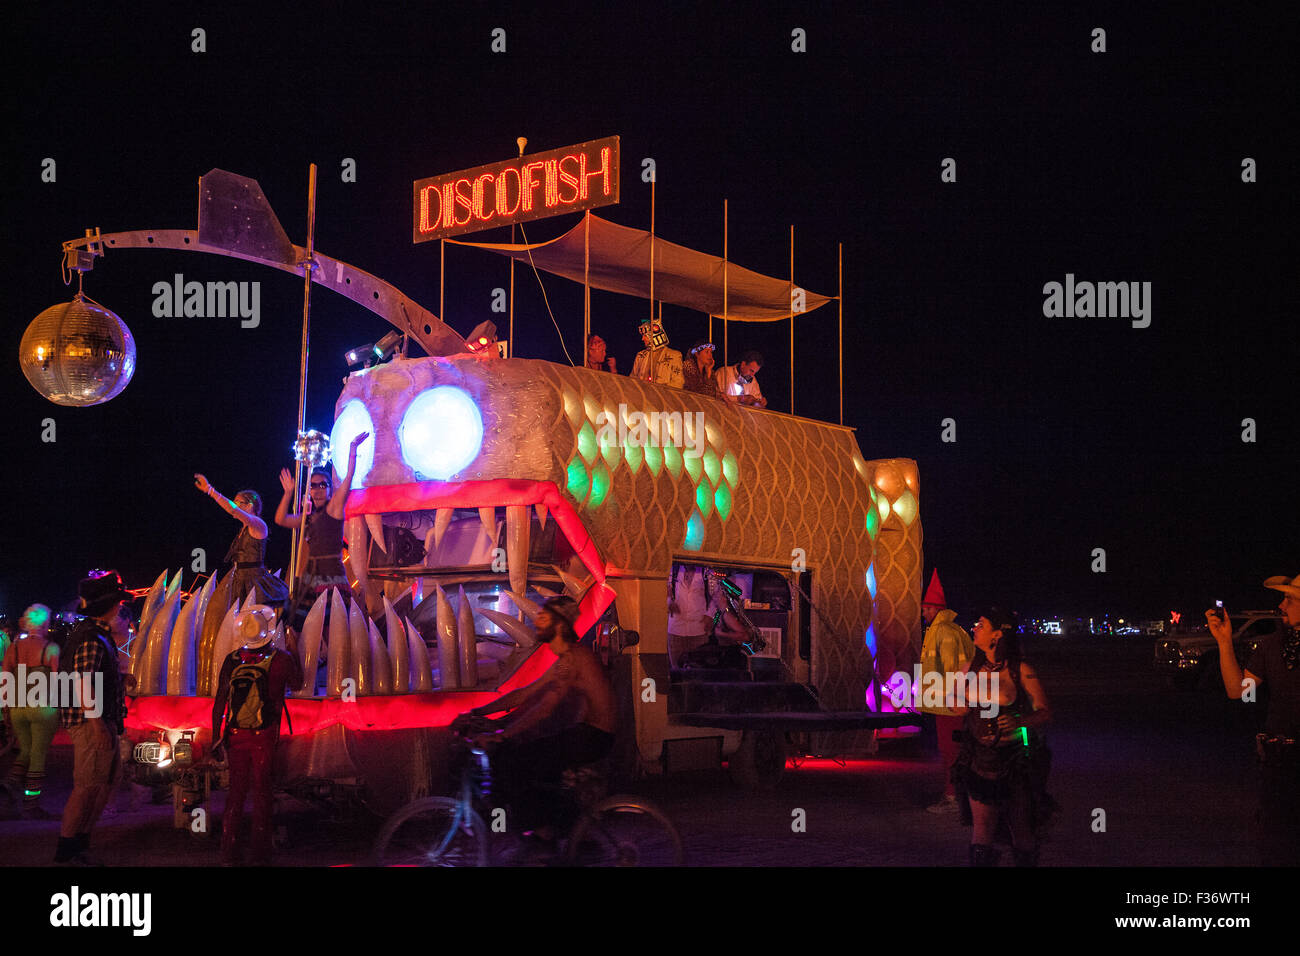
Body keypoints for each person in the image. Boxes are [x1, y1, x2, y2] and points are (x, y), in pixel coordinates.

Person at [453, 596, 615, 852]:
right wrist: (478, 712)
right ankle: (564, 831)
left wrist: (503, 735)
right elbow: (525, 693)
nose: (537, 621)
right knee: (527, 762)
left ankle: (544, 836)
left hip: (593, 737)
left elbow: (544, 708)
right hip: (584, 734)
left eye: (544, 616)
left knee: (516, 761)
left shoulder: (572, 660)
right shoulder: (566, 659)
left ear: (560, 624)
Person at [1208, 572, 1300, 866]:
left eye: (1290, 599)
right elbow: (1240, 692)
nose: (1281, 606)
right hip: (1280, 763)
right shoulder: (1273, 644)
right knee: (1277, 844)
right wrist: (1224, 642)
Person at [950, 607, 1054, 866]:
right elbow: (952, 698)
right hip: (979, 760)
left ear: (996, 635)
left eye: (981, 625)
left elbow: (1045, 712)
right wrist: (957, 705)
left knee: (1022, 831)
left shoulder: (1020, 670)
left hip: (1015, 761)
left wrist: (1022, 720)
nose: (974, 628)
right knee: (981, 832)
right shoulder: (969, 668)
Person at [211, 604, 303, 866]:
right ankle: (260, 854)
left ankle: (229, 853)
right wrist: (295, 647)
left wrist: (215, 737)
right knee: (262, 793)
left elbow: (220, 702)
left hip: (235, 733)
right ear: (269, 632)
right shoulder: (281, 659)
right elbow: (297, 684)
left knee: (236, 793)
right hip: (265, 734)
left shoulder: (232, 659)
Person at [55, 570, 133, 865]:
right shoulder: (92, 636)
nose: (121, 609)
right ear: (111, 605)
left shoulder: (96, 634)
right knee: (87, 786)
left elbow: (89, 677)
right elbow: (82, 679)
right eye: (119, 603)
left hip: (98, 719)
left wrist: (120, 679)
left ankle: (79, 842)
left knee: (104, 782)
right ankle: (68, 849)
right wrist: (96, 723)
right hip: (91, 723)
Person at [276, 431, 369, 627]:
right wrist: (288, 493)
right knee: (297, 626)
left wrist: (352, 450)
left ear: (329, 489)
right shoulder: (307, 518)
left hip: (331, 574)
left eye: (322, 485)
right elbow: (280, 520)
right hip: (309, 577)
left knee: (331, 627)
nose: (317, 489)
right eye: (313, 485)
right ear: (309, 489)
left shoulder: (334, 508)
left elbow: (348, 478)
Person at [917, 571, 975, 814]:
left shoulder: (944, 632)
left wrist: (954, 699)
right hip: (950, 703)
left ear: (935, 609)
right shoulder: (948, 630)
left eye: (925, 609)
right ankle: (962, 797)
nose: (922, 613)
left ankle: (953, 799)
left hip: (950, 705)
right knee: (954, 751)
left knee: (951, 752)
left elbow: (954, 669)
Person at [195, 475, 288, 611]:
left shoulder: (258, 525)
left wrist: (210, 490)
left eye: (238, 503)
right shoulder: (243, 529)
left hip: (252, 581)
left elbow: (232, 509)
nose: (234, 505)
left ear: (250, 505)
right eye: (234, 502)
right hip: (239, 579)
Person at [2, 604, 59, 816]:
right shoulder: (51, 648)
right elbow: (55, 682)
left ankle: (9, 784)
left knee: (26, 750)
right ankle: (31, 802)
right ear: (45, 624)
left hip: (18, 706)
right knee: (38, 754)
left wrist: (5, 706)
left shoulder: (13, 648)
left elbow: (4, 679)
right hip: (42, 707)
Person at [629, 318, 684, 388]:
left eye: (645, 335)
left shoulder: (674, 356)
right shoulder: (640, 356)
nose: (642, 339)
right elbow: (632, 379)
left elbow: (678, 383)